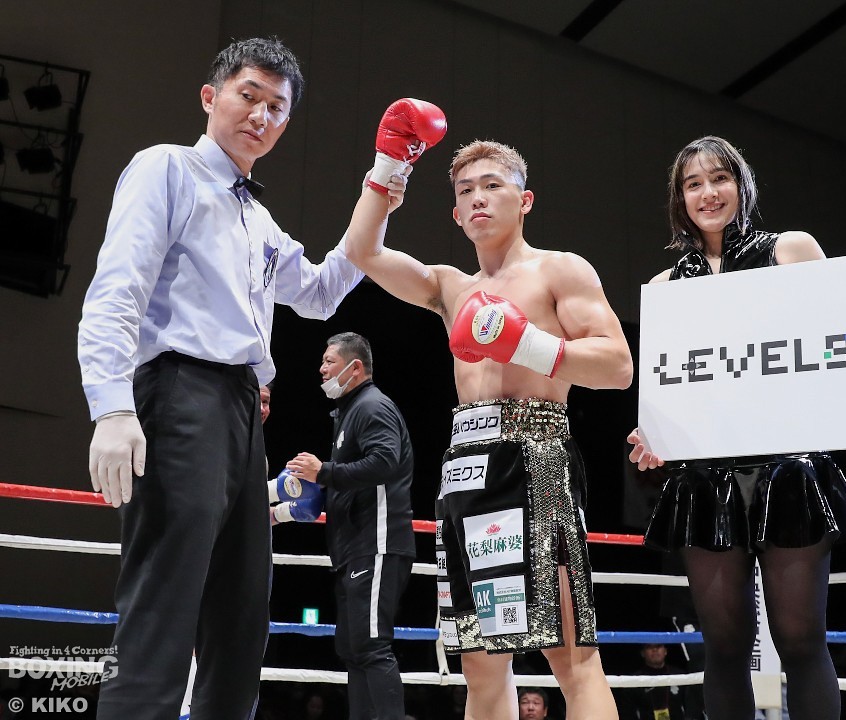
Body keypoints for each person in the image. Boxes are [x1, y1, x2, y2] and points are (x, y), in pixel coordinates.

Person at [78, 38, 406, 720]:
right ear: (211, 96)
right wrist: (110, 405)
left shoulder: (258, 219)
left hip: (239, 412)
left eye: (276, 107)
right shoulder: (166, 168)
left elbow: (321, 291)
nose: (260, 115)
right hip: (178, 396)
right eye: (248, 95)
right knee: (164, 601)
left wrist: (382, 181)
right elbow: (117, 289)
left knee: (241, 614)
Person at [626, 135, 846, 720]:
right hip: (705, 483)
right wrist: (652, 435)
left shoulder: (791, 251)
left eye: (719, 178)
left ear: (741, 184)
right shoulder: (666, 288)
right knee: (723, 649)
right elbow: (668, 389)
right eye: (693, 184)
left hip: (788, 474)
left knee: (802, 642)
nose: (708, 193)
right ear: (679, 198)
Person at [345, 124, 633, 717]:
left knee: (571, 655)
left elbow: (617, 366)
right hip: (466, 469)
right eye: (466, 190)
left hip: (536, 456)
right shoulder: (451, 288)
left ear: (524, 200)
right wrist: (388, 167)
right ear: (456, 215)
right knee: (480, 664)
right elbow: (362, 252)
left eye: (492, 185)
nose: (478, 197)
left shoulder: (560, 271)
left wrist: (528, 344)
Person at [279, 333, 416, 720]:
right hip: (355, 547)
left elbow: (385, 462)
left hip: (376, 542)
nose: (321, 369)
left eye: (330, 362)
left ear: (355, 367)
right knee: (354, 650)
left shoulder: (372, 406)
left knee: (370, 647)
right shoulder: (350, 412)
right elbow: (341, 484)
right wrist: (281, 510)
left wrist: (323, 471)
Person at [617, 643, 685, 720]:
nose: (655, 650)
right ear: (642, 653)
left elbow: (690, 706)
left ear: (665, 651)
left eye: (658, 646)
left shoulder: (680, 676)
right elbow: (627, 712)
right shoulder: (634, 680)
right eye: (649, 647)